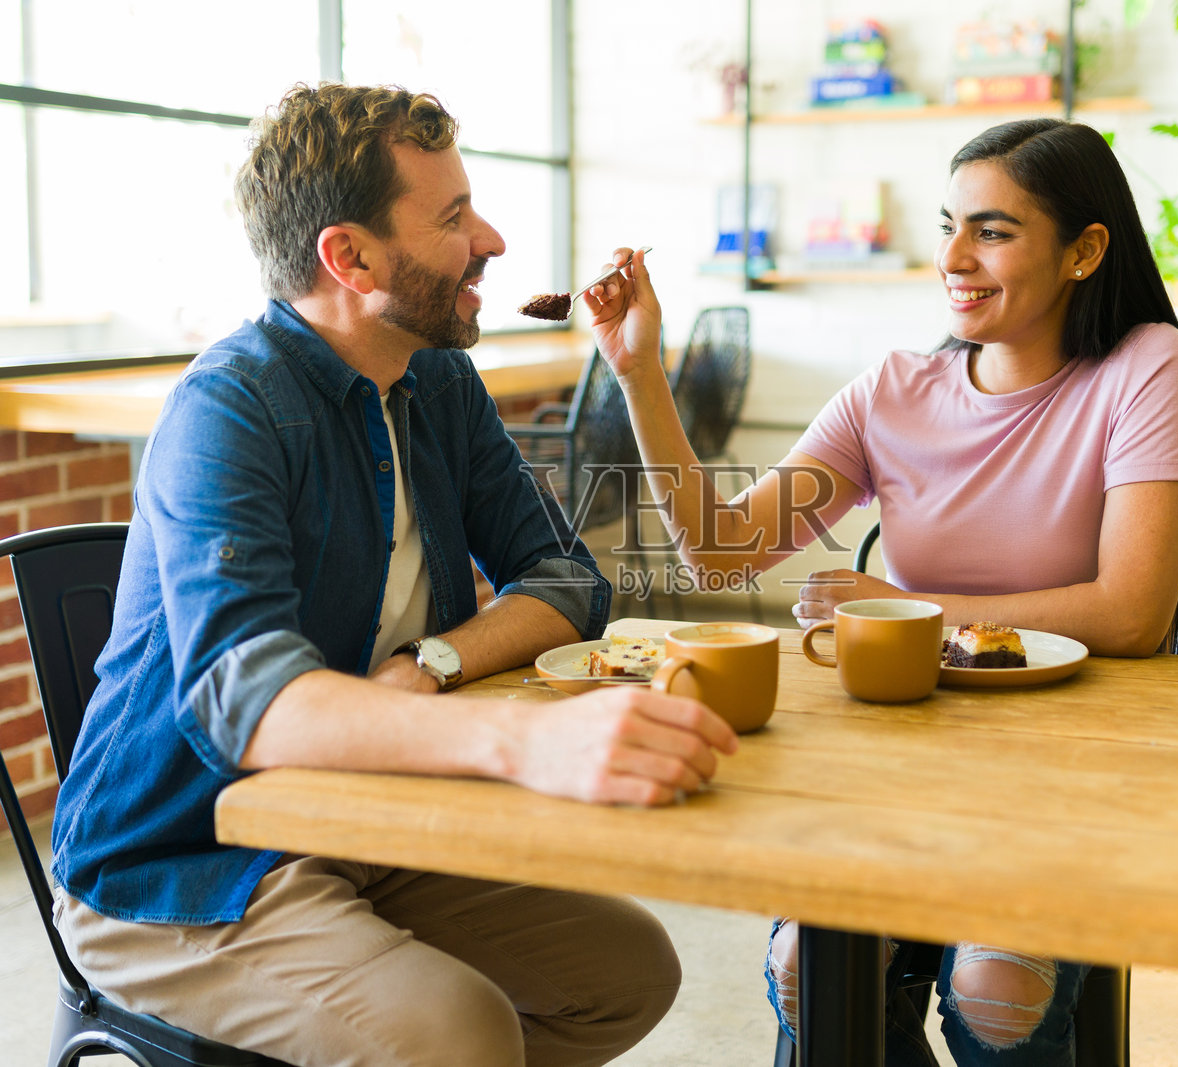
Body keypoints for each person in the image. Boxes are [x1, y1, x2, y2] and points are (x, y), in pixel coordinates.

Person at [48, 83, 738, 1067]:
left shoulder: (437, 378)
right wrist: (523, 739)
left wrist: (429, 665)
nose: (491, 240)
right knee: (459, 1032)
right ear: (351, 257)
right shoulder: (227, 408)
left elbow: (566, 580)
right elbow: (254, 704)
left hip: (368, 820)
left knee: (623, 975)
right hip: (181, 865)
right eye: (453, 218)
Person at [584, 117, 1178, 1065]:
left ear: (1085, 251)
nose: (954, 258)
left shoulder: (1147, 367)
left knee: (997, 987)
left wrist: (908, 610)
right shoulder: (893, 391)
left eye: (993, 232)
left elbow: (1130, 613)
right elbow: (720, 553)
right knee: (805, 966)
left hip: (1069, 768)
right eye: (950, 226)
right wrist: (640, 372)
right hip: (899, 762)